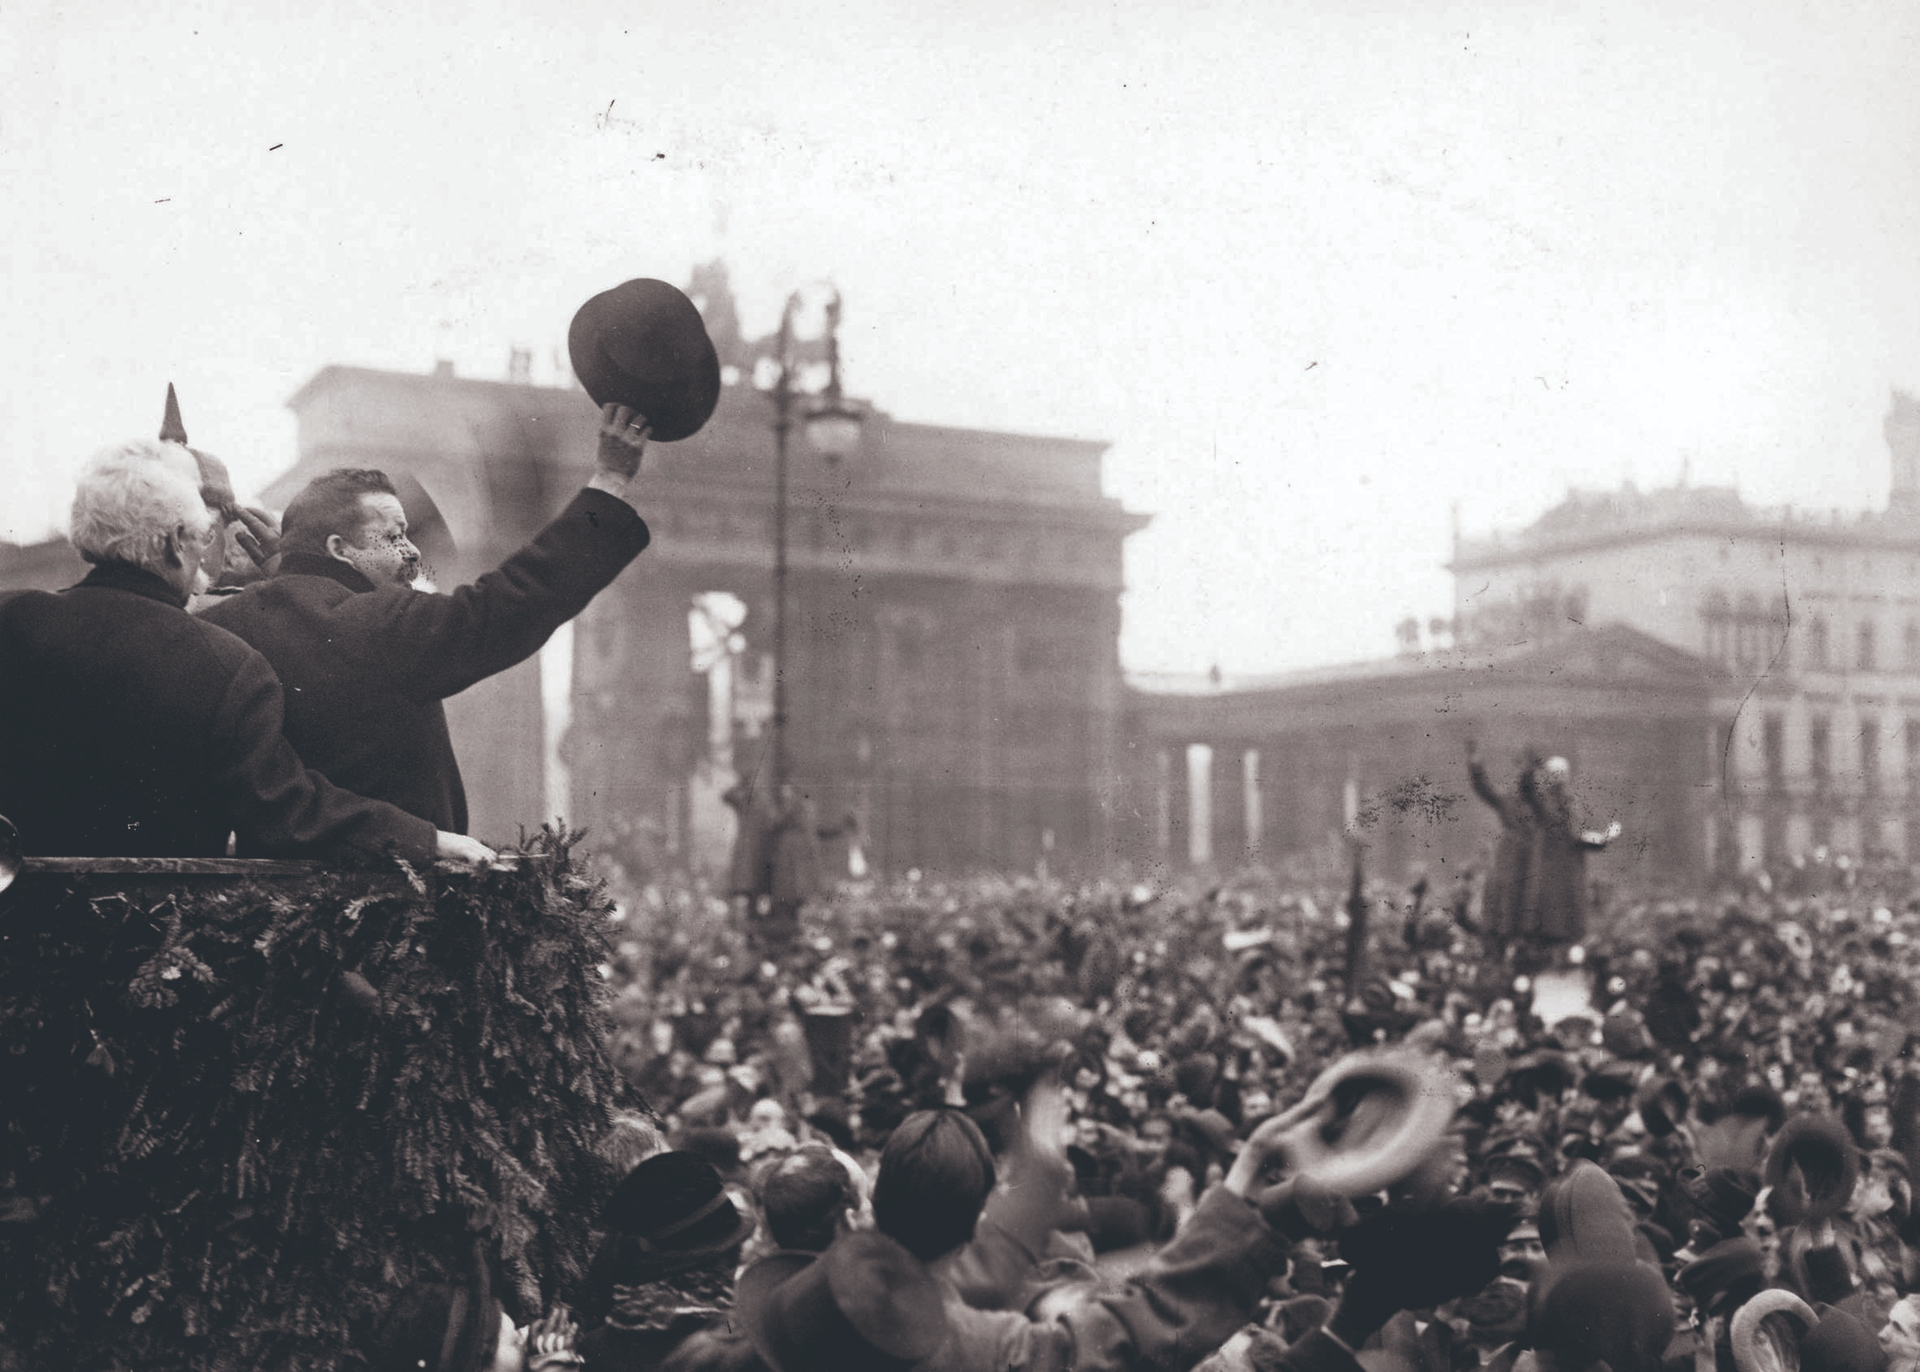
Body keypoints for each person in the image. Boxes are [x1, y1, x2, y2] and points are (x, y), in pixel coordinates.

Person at [0, 440, 489, 867]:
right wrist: (424, 839)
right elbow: (286, 807)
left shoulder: (13, 619)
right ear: (174, 544)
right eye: (202, 536)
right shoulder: (220, 661)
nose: (208, 554)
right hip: (154, 941)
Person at [201, 404, 654, 835]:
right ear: (340, 549)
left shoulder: (227, 624)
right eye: (394, 536)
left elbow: (301, 614)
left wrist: (292, 570)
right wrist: (608, 482)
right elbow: (509, 603)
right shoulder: (381, 625)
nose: (413, 552)